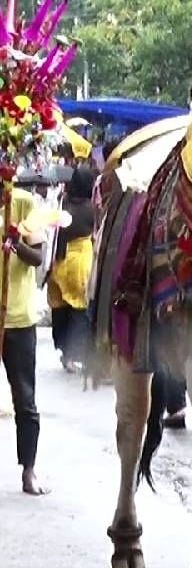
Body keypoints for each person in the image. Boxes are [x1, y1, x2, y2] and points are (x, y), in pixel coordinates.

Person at [1, 185, 48, 495]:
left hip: (18, 319)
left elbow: (37, 258)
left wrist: (15, 241)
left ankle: (28, 470)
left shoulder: (23, 202)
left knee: (25, 400)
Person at [47, 165, 96, 372]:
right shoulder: (92, 208)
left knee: (59, 308)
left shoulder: (62, 203)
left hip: (59, 260)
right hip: (80, 262)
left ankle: (64, 351)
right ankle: (74, 355)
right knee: (79, 309)